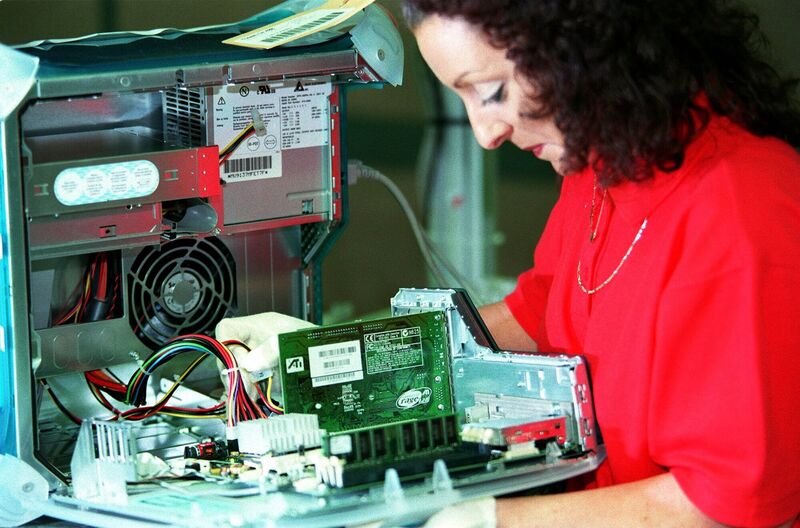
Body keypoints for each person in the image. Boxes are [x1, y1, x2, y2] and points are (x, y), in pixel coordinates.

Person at [217, 0, 800, 526]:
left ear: (579, 47)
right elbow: (540, 314)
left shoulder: (741, 206)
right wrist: (328, 353)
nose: (485, 131)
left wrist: (491, 522)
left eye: (491, 91)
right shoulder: (606, 164)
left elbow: (721, 505)